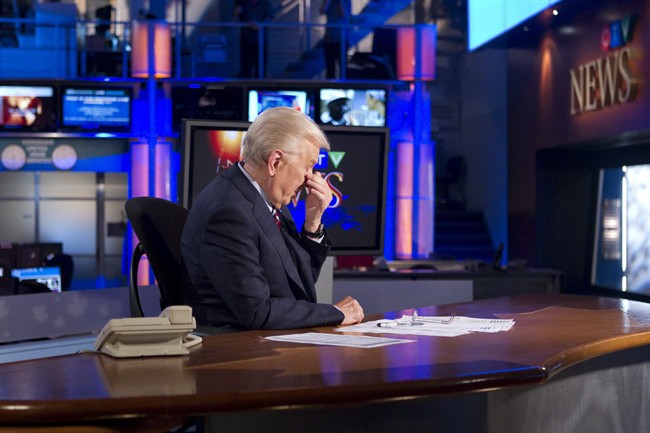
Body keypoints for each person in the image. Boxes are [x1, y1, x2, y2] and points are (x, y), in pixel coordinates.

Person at [181, 107, 364, 332]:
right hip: (235, 349)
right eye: (308, 166)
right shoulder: (229, 212)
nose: (311, 177)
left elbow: (297, 284)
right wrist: (336, 313)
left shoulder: (265, 195)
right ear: (276, 162)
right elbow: (258, 312)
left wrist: (313, 223)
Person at [233, 0, 273, 78]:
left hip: (260, 39)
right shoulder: (243, 3)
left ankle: (260, 85)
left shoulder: (265, 3)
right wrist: (237, 13)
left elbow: (270, 16)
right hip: (246, 38)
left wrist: (260, 25)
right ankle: (245, 85)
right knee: (246, 65)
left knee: (260, 66)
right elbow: (235, 19)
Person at [320, 0, 351, 79]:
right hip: (329, 39)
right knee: (330, 69)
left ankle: (344, 88)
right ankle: (329, 88)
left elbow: (345, 15)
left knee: (343, 69)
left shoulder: (346, 1)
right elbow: (322, 11)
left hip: (341, 40)